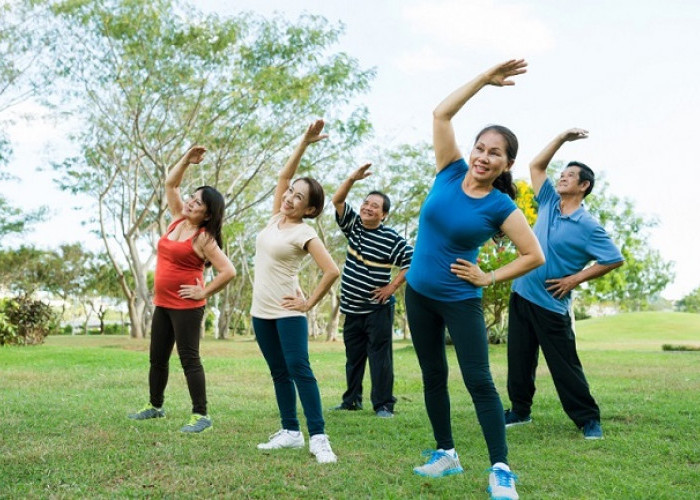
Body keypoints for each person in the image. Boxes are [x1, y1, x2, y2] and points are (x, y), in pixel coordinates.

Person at [405, 59, 545, 500]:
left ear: (507, 163)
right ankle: (446, 453)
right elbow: (441, 114)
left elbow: (533, 255)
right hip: (418, 295)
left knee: (479, 381)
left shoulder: (501, 206)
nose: (483, 157)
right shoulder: (448, 170)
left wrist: (488, 276)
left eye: (495, 153)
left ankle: (500, 469)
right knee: (432, 376)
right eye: (480, 148)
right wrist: (484, 80)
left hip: (459, 300)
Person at [505, 128, 624, 440]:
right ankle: (519, 410)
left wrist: (575, 279)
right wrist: (561, 139)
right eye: (563, 173)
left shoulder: (588, 225)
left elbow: (613, 259)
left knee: (565, 367)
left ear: (584, 186)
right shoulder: (548, 202)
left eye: (570, 175)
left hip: (550, 304)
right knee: (518, 359)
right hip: (521, 293)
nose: (562, 178)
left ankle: (588, 420)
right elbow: (536, 166)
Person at [128, 145, 236, 433]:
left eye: (198, 203)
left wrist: (204, 292)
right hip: (163, 303)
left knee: (189, 360)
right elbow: (171, 183)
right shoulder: (177, 219)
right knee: (157, 358)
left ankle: (201, 415)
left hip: (187, 307)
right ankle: (155, 406)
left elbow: (228, 271)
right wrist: (187, 160)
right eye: (192, 197)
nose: (190, 203)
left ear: (208, 214)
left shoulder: (204, 238)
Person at [252, 120, 341, 464]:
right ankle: (290, 431)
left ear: (310, 209)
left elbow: (331, 269)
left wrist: (308, 302)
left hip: (287, 312)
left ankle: (319, 438)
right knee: (278, 372)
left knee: (299, 369)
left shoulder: (305, 233)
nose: (289, 198)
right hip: (260, 313)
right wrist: (303, 142)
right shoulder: (276, 218)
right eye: (290, 193)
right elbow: (283, 177)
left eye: (298, 197)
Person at [330, 163, 413, 418]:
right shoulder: (353, 226)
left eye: (374, 206)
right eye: (366, 203)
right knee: (353, 358)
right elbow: (338, 200)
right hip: (352, 309)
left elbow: (414, 260)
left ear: (384, 214)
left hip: (378, 310)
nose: (367, 207)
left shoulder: (391, 239)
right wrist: (352, 178)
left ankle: (384, 405)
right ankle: (352, 400)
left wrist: (392, 286)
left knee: (380, 359)